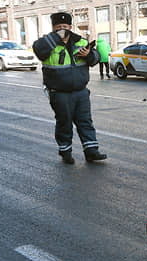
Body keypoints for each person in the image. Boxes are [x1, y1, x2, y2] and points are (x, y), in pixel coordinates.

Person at [32, 12, 107, 164]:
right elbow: (39, 50)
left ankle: (91, 151)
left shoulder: (80, 41)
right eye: (59, 27)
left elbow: (96, 58)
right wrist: (56, 37)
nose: (62, 30)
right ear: (53, 28)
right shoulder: (46, 43)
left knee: (85, 121)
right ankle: (65, 151)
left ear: (71, 27)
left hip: (81, 91)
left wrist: (89, 55)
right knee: (64, 123)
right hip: (59, 93)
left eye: (65, 27)